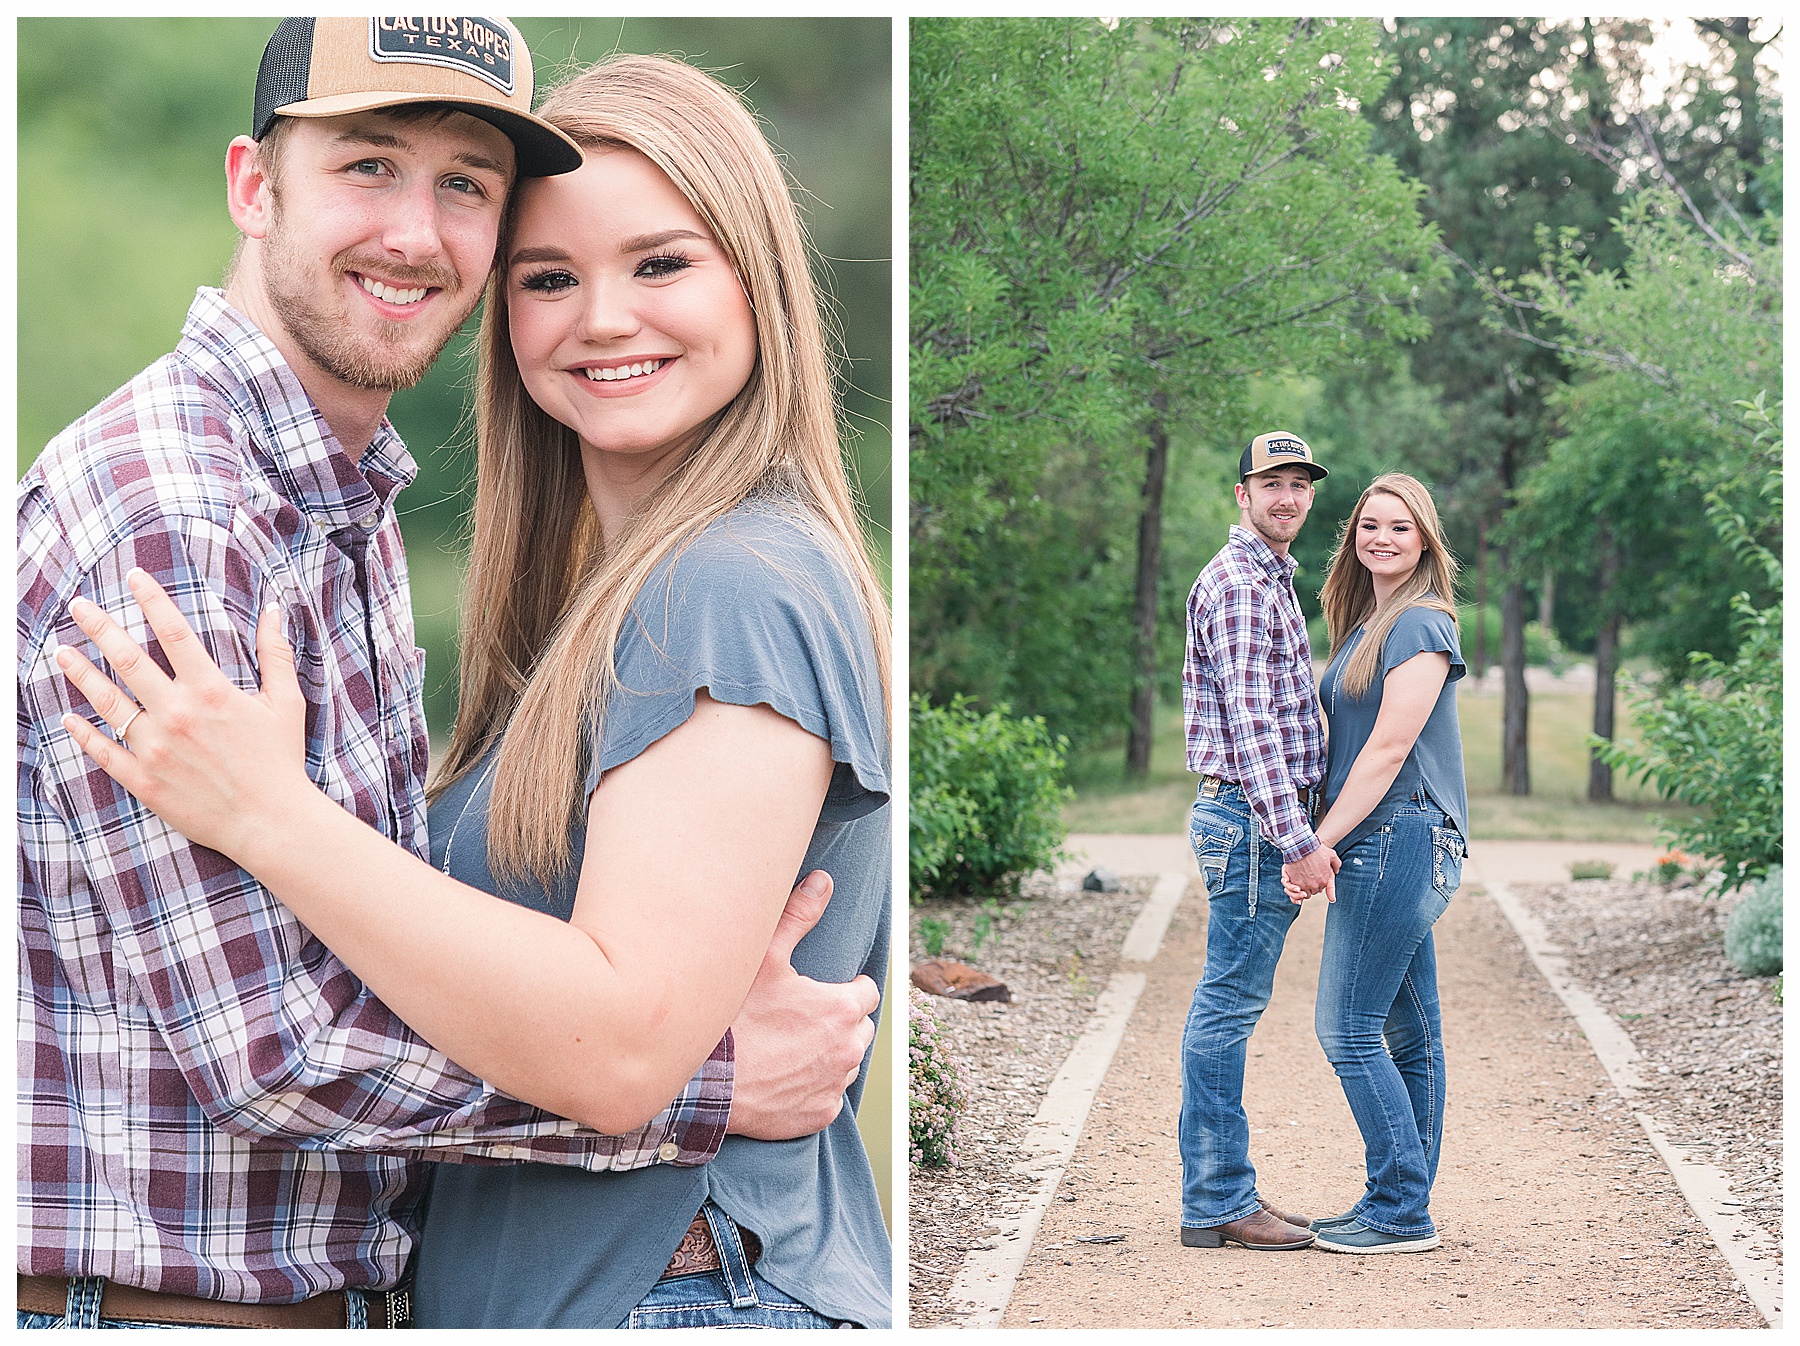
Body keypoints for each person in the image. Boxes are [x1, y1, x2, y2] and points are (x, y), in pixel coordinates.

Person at [19, 18, 875, 1330]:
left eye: (465, 184)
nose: (418, 234)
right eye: (368, 166)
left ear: (756, 280)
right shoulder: (185, 519)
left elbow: (567, 1020)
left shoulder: (723, 580)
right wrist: (707, 1082)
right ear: (254, 186)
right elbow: (277, 1046)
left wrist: (654, 1070)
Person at [1285, 472, 1467, 1254]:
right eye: (1369, 526)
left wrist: (1320, 840)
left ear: (1424, 539)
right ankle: (1399, 1203)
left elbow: (1391, 748)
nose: (1381, 538)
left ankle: (1399, 1209)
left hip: (1399, 836)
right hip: (1384, 840)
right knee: (1411, 1035)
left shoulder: (1421, 625)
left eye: (1399, 527)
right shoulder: (1371, 623)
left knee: (1347, 1027)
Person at [1177, 432, 1336, 1252]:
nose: (1287, 498)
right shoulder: (1242, 584)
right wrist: (1295, 837)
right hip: (1250, 819)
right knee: (1227, 1010)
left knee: (1228, 1006)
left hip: (1248, 817)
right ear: (1242, 493)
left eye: (1298, 485)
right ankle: (1216, 1202)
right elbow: (1254, 726)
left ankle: (1221, 1190)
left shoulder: (1269, 579)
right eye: (1271, 483)